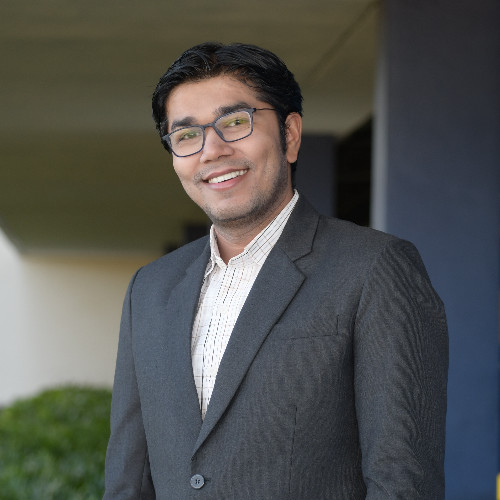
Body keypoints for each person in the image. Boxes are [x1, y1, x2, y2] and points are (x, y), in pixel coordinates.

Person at [103, 42, 448, 499]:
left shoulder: (374, 269)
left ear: (290, 134)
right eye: (186, 135)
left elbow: (403, 482)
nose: (212, 151)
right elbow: (128, 480)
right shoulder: (150, 289)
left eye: (234, 123)